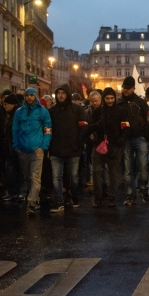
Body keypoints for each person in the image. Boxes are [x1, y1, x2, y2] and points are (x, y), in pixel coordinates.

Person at [48, 84, 88, 213]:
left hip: (73, 149)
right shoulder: (52, 111)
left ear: (68, 94)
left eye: (63, 93)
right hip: (56, 149)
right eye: (58, 93)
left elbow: (84, 127)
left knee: (74, 176)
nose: (60, 95)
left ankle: (75, 197)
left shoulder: (77, 109)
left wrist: (79, 142)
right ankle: (59, 201)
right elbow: (48, 129)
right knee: (56, 177)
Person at [12, 87, 52, 216]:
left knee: (35, 177)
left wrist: (43, 147)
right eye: (27, 95)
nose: (29, 97)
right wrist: (16, 146)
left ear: (35, 96)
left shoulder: (43, 112)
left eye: (31, 95)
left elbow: (48, 130)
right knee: (27, 176)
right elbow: (15, 130)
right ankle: (33, 197)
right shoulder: (19, 112)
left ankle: (31, 202)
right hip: (23, 150)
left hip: (37, 150)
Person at [87, 88, 130, 208]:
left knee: (114, 174)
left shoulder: (121, 111)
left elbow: (126, 127)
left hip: (115, 146)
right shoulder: (97, 112)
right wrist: (96, 129)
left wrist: (121, 140)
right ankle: (98, 197)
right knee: (96, 172)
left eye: (112, 98)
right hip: (99, 146)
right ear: (103, 99)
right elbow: (90, 127)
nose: (110, 101)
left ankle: (112, 197)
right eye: (107, 98)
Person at [118, 76, 149, 205]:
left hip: (140, 137)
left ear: (133, 88)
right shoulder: (119, 102)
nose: (125, 90)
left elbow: (148, 120)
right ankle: (130, 195)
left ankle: (143, 188)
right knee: (128, 170)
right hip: (126, 139)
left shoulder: (140, 102)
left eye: (128, 88)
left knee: (143, 167)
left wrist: (146, 136)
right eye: (124, 88)